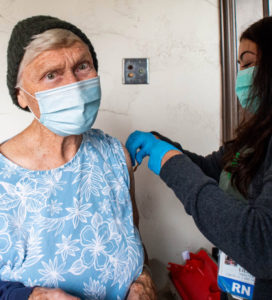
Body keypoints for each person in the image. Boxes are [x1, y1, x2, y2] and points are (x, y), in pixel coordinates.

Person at [126, 12, 272, 300]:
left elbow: (265, 245)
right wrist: (161, 144)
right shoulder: (261, 132)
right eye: (239, 65)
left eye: (249, 63)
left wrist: (170, 162)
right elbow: (212, 169)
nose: (241, 75)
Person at [0, 16, 156, 300]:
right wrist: (33, 297)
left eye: (82, 66)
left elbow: (133, 241)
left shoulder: (114, 155)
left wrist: (143, 278)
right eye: (51, 74)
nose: (73, 84)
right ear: (21, 95)